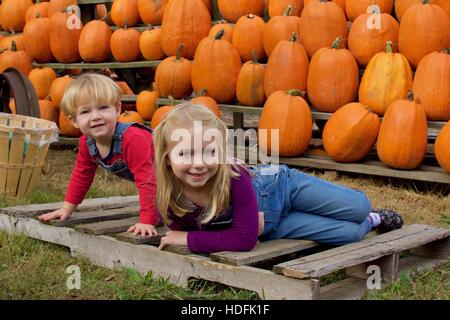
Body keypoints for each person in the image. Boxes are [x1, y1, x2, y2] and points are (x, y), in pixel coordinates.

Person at [154, 103, 404, 253]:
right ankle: (374, 220)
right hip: (273, 226)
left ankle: (367, 211)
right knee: (350, 233)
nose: (199, 164)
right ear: (167, 158)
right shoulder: (170, 197)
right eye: (185, 153)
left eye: (209, 152)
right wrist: (245, 229)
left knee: (358, 207)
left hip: (282, 188)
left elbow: (242, 239)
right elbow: (242, 237)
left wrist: (190, 239)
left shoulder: (234, 177)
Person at [38, 74, 159, 236]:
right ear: (74, 120)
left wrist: (146, 221)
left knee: (183, 213)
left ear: (117, 109)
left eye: (103, 108)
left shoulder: (132, 139)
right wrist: (67, 208)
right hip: (162, 183)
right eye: (86, 111)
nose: (96, 116)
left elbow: (147, 181)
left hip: (178, 173)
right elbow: (82, 175)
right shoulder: (87, 144)